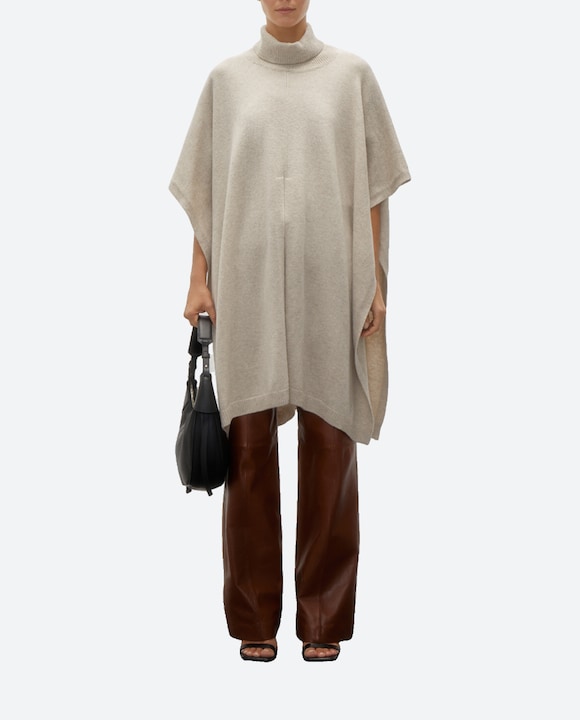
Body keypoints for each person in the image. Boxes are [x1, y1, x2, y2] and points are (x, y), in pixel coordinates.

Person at [169, 0, 410, 662]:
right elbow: (206, 196)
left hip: (332, 281)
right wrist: (197, 281)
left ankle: (323, 618)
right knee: (248, 447)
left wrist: (374, 281)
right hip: (246, 284)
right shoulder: (226, 81)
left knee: (331, 446)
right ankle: (254, 618)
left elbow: (373, 190)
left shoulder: (351, 75)